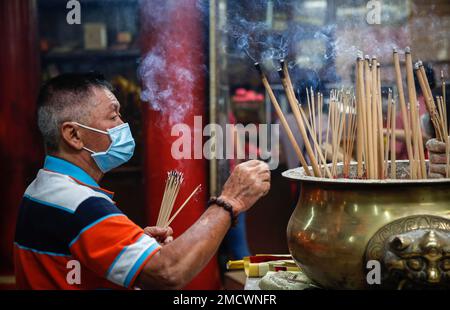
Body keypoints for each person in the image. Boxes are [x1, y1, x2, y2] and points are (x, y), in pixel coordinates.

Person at [14, 73, 271, 290]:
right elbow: (169, 272)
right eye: (113, 117)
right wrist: (230, 201)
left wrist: (134, 251)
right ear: (73, 134)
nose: (123, 125)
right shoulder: (79, 204)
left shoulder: (42, 187)